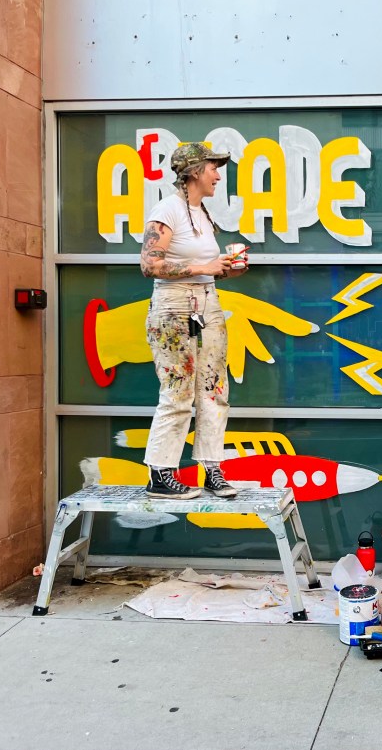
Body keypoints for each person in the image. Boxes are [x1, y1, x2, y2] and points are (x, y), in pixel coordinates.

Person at [138, 142, 247, 500]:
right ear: (194, 171)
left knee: (215, 389)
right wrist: (203, 267)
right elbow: (149, 264)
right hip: (173, 307)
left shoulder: (201, 213)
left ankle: (211, 468)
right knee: (178, 391)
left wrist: (226, 270)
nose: (218, 175)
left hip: (207, 303)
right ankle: (160, 473)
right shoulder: (166, 209)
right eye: (213, 168)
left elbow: (206, 269)